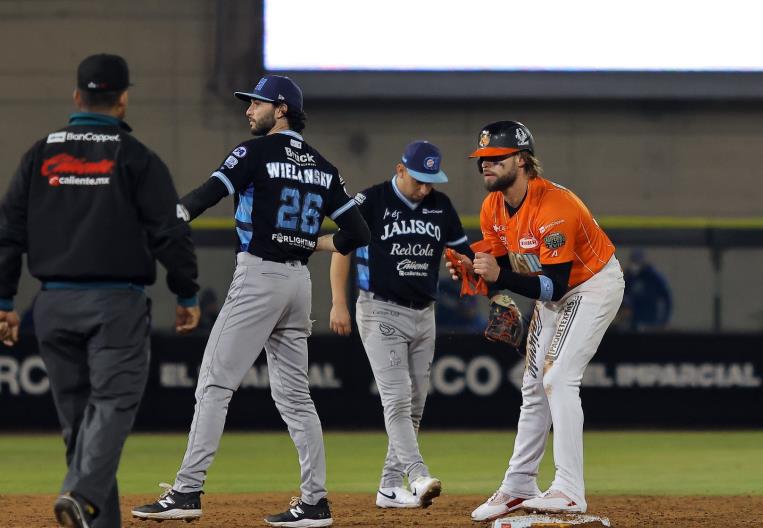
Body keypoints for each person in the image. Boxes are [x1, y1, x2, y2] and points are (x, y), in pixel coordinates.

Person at [131, 75, 370, 528]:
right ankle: (315, 502)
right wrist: (307, 243)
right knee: (297, 398)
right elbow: (358, 234)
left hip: (259, 275)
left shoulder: (255, 151)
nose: (248, 111)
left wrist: (173, 217)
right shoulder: (324, 165)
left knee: (214, 384)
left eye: (256, 103)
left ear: (280, 109)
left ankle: (186, 490)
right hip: (299, 283)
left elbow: (209, 192)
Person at [0, 53, 200, 528]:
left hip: (52, 306)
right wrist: (187, 292)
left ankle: (91, 513)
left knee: (78, 423)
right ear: (123, 100)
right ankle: (84, 494)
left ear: (77, 97)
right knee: (112, 404)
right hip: (115, 304)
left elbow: (9, 230)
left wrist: (5, 301)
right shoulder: (135, 157)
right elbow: (169, 232)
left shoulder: (40, 154)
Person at [449, 121, 624, 521]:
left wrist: (498, 276)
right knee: (532, 384)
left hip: (590, 286)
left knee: (558, 377)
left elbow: (555, 286)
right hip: (550, 290)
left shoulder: (555, 206)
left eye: (496, 158)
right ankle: (519, 484)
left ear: (523, 160)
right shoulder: (493, 206)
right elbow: (500, 267)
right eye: (482, 160)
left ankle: (568, 489)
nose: (486, 166)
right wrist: (478, 275)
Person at [329, 141, 474, 509]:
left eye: (431, 181)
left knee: (415, 405)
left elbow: (464, 256)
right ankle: (418, 474)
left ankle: (389, 487)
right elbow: (341, 248)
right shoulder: (371, 201)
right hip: (380, 310)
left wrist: (476, 273)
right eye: (419, 180)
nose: (425, 188)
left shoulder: (441, 207)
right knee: (396, 398)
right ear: (400, 169)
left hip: (425, 313)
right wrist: (338, 303)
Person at [623, 248, 672, 330]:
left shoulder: (653, 277)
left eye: (637, 262)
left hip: (651, 319)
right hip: (634, 321)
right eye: (633, 261)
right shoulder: (629, 277)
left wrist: (665, 319)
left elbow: (667, 297)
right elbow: (623, 295)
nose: (635, 265)